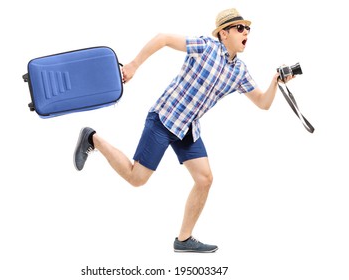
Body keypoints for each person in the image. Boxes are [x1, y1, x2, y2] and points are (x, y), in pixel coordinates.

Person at [73, 8, 293, 253]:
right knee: (137, 178)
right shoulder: (206, 46)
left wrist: (274, 82)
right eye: (240, 28)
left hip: (188, 128)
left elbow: (263, 102)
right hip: (165, 119)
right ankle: (92, 138)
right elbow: (163, 38)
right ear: (223, 33)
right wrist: (134, 64)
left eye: (248, 28)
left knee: (204, 179)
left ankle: (184, 240)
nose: (246, 32)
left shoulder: (239, 72)